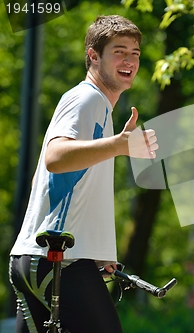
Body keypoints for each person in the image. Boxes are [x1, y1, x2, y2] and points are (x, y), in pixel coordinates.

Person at [9, 15, 158, 333]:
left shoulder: (93, 103)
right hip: (58, 260)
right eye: (119, 51)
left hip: (35, 258)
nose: (129, 60)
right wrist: (119, 145)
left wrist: (95, 248)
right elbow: (54, 158)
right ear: (93, 56)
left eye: (135, 53)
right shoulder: (88, 99)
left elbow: (42, 182)